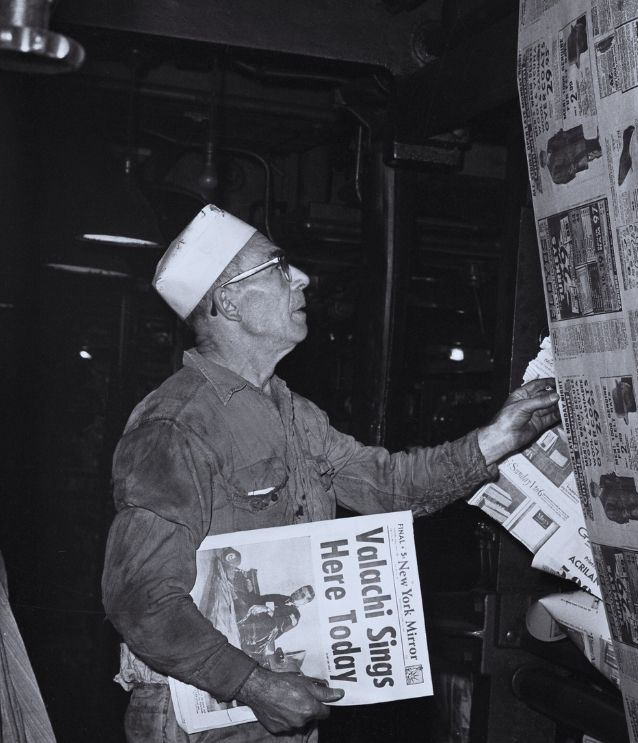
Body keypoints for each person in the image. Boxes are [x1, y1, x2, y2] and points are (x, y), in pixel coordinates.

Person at [101, 204, 560, 741]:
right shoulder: (174, 427)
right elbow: (140, 598)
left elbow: (388, 485)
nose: (301, 278)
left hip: (276, 702)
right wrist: (252, 684)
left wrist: (501, 435)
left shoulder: (292, 412)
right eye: (277, 267)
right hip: (199, 715)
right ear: (228, 301)